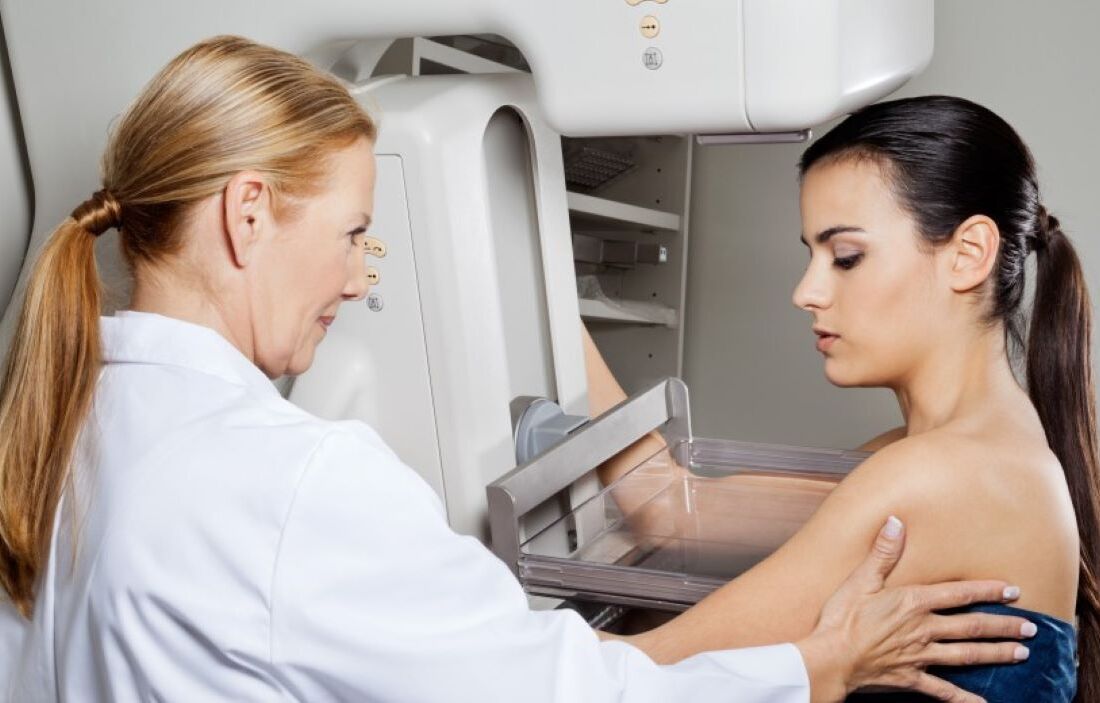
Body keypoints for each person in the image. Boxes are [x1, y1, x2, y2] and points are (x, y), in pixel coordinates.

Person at [0, 38, 1033, 702]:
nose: (362, 278)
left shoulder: (54, 423)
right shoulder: (291, 481)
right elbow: (580, 681)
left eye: (841, 254)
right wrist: (812, 668)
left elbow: (667, 508)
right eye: (356, 232)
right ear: (249, 211)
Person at [585, 95, 1090, 701]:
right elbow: (667, 504)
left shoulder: (942, 475)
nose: (806, 291)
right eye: (812, 254)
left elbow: (636, 672)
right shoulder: (957, 450)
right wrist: (540, 296)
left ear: (968, 254)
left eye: (846, 257)